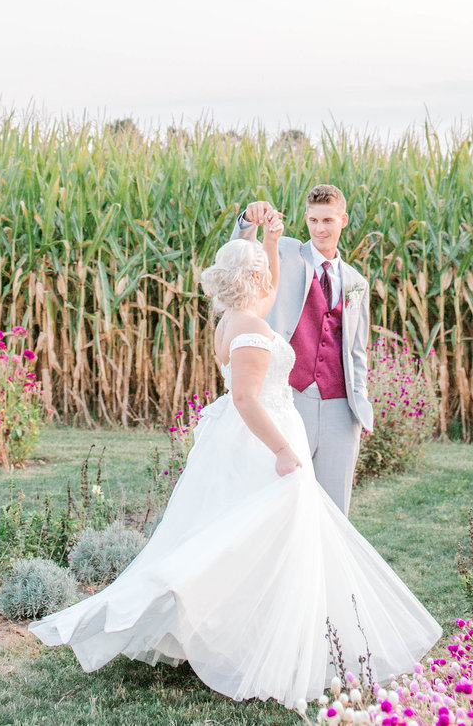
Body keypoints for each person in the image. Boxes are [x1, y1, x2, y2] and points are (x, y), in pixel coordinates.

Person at [29, 231, 441, 708]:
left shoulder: (236, 318)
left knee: (252, 538)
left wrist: (268, 240)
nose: (270, 278)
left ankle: (255, 630)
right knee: (257, 538)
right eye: (261, 272)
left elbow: (266, 294)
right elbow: (246, 398)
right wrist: (284, 450)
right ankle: (243, 631)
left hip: (244, 437)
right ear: (248, 277)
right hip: (260, 441)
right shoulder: (248, 328)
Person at [233, 185, 370, 514]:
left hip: (341, 407)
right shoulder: (286, 252)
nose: (320, 229)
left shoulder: (356, 282)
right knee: (284, 502)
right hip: (293, 398)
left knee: (335, 511)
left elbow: (357, 351)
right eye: (313, 221)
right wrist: (247, 221)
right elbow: (242, 255)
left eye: (328, 221)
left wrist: (360, 402)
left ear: (343, 220)